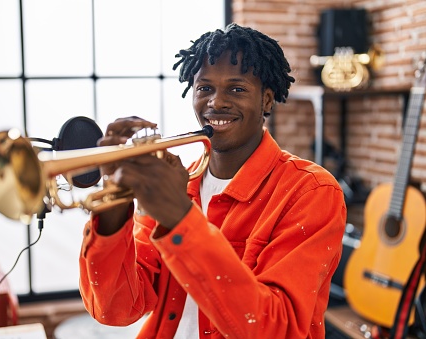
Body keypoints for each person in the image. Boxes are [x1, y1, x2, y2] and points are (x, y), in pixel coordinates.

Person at [78, 23, 347, 338]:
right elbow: (117, 309)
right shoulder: (178, 183)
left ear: (267, 101)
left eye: (237, 88)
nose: (216, 103)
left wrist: (180, 218)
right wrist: (115, 204)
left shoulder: (311, 191)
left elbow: (277, 328)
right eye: (204, 88)